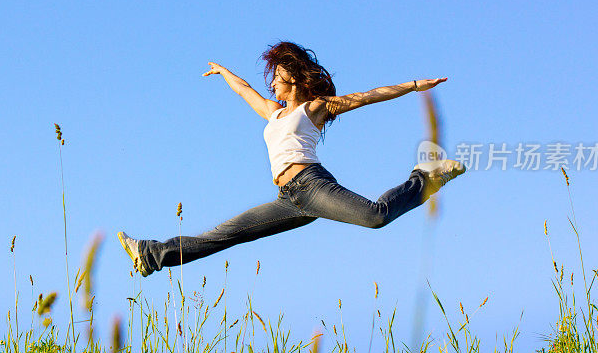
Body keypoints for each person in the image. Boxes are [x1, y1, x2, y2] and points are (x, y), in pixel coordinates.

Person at [119, 41, 465, 277]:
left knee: (376, 217)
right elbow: (244, 91)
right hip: (289, 200)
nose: (271, 85)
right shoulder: (273, 113)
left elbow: (368, 96)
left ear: (293, 77)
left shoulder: (314, 109)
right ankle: (151, 255)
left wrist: (416, 84)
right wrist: (224, 72)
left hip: (312, 186)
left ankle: (426, 176)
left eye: (277, 77)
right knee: (225, 235)